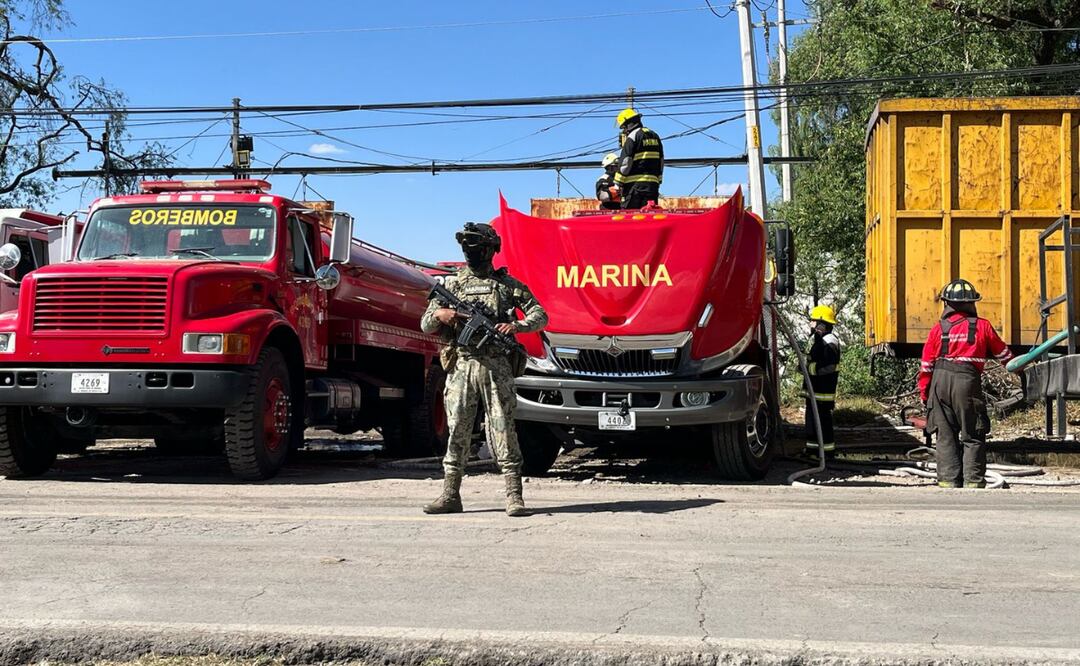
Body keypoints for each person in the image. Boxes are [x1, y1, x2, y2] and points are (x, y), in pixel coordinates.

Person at [421, 222, 548, 517]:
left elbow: (540, 315)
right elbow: (426, 324)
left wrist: (516, 325)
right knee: (458, 431)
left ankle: (514, 496)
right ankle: (450, 494)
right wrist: (442, 313)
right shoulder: (452, 286)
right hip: (462, 364)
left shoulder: (508, 286)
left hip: (496, 365)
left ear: (491, 250)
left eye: (477, 246)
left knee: (503, 427)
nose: (471, 252)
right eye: (467, 246)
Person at [918, 279, 1012, 488]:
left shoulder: (937, 330)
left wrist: (926, 396)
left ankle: (948, 482)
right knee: (973, 433)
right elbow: (1006, 357)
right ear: (972, 303)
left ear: (947, 304)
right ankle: (973, 482)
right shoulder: (983, 326)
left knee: (945, 435)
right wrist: (1023, 369)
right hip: (967, 384)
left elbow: (926, 368)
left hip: (939, 385)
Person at [805, 305, 841, 457]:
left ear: (821, 324)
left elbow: (830, 366)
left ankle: (826, 454)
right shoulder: (821, 340)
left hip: (822, 392)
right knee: (813, 423)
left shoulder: (829, 342)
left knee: (822, 422)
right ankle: (813, 451)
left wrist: (809, 370)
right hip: (816, 391)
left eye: (813, 321)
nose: (811, 324)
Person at [613, 108, 664, 209]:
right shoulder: (655, 136)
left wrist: (618, 183)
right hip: (652, 188)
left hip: (634, 187)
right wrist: (658, 181)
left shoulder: (633, 137)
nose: (624, 130)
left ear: (628, 124)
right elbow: (661, 161)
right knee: (649, 218)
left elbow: (626, 162)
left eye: (624, 127)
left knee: (630, 219)